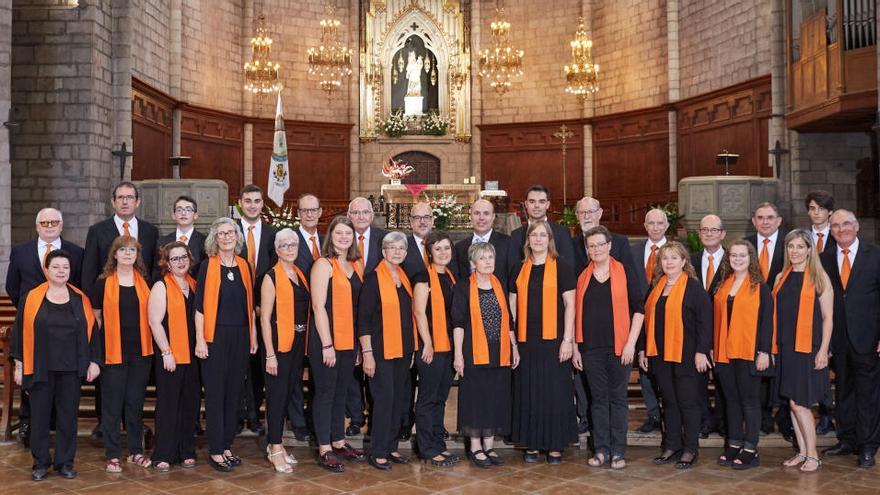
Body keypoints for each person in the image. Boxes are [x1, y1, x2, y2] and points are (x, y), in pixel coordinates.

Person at [10, 250, 102, 481]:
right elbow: (19, 334)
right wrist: (19, 365)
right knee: (39, 418)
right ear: (46, 270)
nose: (61, 271)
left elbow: (93, 333)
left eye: (65, 267)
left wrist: (94, 361)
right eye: (56, 267)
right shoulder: (31, 298)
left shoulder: (80, 298)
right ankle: (40, 463)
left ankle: (65, 462)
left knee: (68, 418)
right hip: (39, 366)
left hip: (71, 369)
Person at [80, 182, 158, 438]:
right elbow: (89, 272)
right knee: (109, 373)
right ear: (112, 202)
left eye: (130, 197)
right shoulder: (98, 230)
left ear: (137, 202)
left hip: (138, 312)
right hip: (107, 313)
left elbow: (153, 272)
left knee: (136, 379)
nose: (125, 202)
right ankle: (106, 422)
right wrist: (93, 313)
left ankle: (134, 423)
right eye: (120, 198)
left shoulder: (149, 231)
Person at [5, 207, 84, 447]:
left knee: (62, 384)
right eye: (44, 222)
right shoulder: (21, 252)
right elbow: (12, 287)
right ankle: (29, 423)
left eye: (54, 222)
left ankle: (59, 428)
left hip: (65, 329)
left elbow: (79, 287)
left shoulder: (76, 253)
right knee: (34, 375)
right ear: (37, 226)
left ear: (62, 225)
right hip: (34, 325)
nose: (49, 226)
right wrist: (33, 310)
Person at [574, 226, 644, 469]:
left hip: (620, 348)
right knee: (598, 400)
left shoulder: (624, 272)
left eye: (600, 244)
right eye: (591, 246)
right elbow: (574, 316)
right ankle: (601, 449)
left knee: (617, 399)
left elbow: (639, 310)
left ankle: (618, 451)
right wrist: (575, 348)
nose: (596, 249)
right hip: (591, 349)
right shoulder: (583, 276)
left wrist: (631, 344)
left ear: (610, 245)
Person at [639, 241, 712, 470]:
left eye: (673, 258)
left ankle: (690, 449)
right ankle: (672, 445)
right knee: (668, 402)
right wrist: (643, 349)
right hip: (660, 355)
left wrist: (701, 351)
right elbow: (646, 320)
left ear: (683, 261)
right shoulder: (656, 286)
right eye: (665, 258)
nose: (669, 262)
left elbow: (705, 323)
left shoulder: (693, 288)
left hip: (687, 356)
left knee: (688, 403)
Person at [509, 220, 577, 464]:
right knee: (529, 392)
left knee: (554, 392)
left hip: (555, 341)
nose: (538, 239)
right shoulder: (518, 269)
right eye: (533, 235)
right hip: (526, 342)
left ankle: (555, 444)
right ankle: (532, 443)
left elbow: (571, 305)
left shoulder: (563, 267)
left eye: (542, 235)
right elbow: (512, 307)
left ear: (550, 240)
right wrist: (513, 341)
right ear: (527, 240)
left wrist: (568, 340)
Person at [569, 196, 637, 435]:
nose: (587, 216)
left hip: (616, 332)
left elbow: (632, 293)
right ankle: (586, 420)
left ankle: (615, 442)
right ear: (577, 216)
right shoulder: (571, 243)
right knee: (587, 385)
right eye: (582, 212)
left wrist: (629, 338)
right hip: (586, 331)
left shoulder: (620, 242)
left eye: (591, 211)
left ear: (600, 213)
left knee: (615, 395)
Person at [194, 218, 257, 472]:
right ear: (214, 238)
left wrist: (252, 337)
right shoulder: (206, 266)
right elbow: (199, 307)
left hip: (240, 337)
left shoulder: (245, 266)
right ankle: (216, 449)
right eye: (221, 233)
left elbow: (250, 307)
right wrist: (200, 339)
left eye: (230, 232)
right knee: (216, 393)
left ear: (237, 236)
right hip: (214, 337)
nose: (227, 237)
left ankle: (227, 444)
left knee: (234, 392)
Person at [821, 210, 880, 467]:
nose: (841, 229)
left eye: (846, 224)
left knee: (868, 393)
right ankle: (847, 439)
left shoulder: (875, 255)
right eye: (835, 226)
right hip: (838, 339)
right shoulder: (823, 259)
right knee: (843, 389)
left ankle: (867, 445)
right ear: (830, 231)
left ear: (856, 226)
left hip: (868, 337)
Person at [91, 235, 154, 473]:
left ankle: (136, 451)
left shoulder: (145, 282)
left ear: (137, 256)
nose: (128, 254)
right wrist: (95, 354)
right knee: (112, 406)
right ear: (114, 254)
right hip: (112, 353)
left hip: (141, 353)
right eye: (123, 250)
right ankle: (113, 454)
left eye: (133, 250)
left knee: (135, 405)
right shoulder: (102, 283)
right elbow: (95, 320)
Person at [452, 242, 517, 468]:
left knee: (494, 398)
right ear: (472, 263)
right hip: (473, 352)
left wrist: (514, 346)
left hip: (499, 352)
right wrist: (458, 355)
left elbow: (508, 319)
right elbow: (458, 324)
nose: (488, 261)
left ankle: (489, 446)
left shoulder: (499, 284)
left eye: (491, 257)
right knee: (476, 399)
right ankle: (476, 447)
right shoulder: (462, 287)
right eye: (483, 258)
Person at [773, 229, 833, 473]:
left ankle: (814, 456)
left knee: (801, 404)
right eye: (791, 246)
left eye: (800, 246)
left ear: (810, 249)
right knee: (792, 403)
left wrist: (823, 351)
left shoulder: (820, 278)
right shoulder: (780, 277)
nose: (795, 251)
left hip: (808, 348)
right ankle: (802, 451)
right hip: (786, 348)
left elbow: (828, 318)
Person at [309, 216, 365, 473]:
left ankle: (339, 441)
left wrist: (355, 345)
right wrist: (327, 344)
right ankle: (324, 447)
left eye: (348, 234)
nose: (344, 237)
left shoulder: (355, 265)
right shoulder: (323, 264)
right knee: (325, 393)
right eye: (339, 233)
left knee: (341, 392)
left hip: (348, 340)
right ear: (331, 236)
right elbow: (318, 306)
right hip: (326, 340)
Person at [358, 231, 418, 470]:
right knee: (383, 401)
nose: (397, 252)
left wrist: (412, 347)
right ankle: (378, 450)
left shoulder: (403, 277)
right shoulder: (373, 279)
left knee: (399, 401)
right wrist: (367, 353)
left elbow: (408, 316)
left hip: (403, 350)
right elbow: (363, 319)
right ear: (383, 252)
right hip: (380, 352)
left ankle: (391, 446)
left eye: (401, 248)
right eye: (392, 248)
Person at [712, 240, 773, 470]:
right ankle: (734, 443)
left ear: (751, 259)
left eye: (742, 255)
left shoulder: (760, 286)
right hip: (725, 352)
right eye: (734, 255)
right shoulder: (723, 285)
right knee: (732, 401)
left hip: (749, 351)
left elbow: (767, 322)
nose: (738, 259)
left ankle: (750, 448)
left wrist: (764, 351)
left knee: (750, 402)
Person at [260, 229, 310, 473]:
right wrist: (270, 353)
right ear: (277, 249)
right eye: (285, 245)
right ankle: (275, 446)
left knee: (289, 393)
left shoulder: (299, 273)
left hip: (297, 344)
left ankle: (275, 444)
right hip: (278, 345)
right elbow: (265, 318)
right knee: (277, 397)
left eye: (294, 244)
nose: (290, 249)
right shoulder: (271, 277)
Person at [147, 241, 200, 472]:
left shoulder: (194, 284)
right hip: (170, 354)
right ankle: (164, 453)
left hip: (193, 354)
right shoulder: (161, 286)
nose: (180, 262)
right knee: (168, 404)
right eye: (175, 258)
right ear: (167, 264)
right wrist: (166, 351)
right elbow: (154, 322)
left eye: (184, 257)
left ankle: (186, 450)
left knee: (190, 403)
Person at [413, 231, 460, 467]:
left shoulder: (451, 276)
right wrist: (428, 343)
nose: (443, 252)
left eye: (446, 248)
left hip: (449, 346)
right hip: (430, 347)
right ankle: (427, 449)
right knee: (427, 399)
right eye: (438, 248)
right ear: (429, 252)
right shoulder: (423, 277)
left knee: (441, 399)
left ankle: (438, 444)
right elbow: (420, 312)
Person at [345, 197, 388, 435]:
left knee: (374, 366)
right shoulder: (342, 238)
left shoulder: (384, 238)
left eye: (365, 212)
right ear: (349, 215)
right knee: (352, 366)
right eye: (356, 213)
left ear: (372, 216)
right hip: (347, 312)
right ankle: (355, 417)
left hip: (376, 315)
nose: (361, 217)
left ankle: (375, 417)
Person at [745, 202, 789, 437]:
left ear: (778, 220)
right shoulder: (746, 244)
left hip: (784, 317)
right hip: (755, 319)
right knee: (760, 367)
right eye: (760, 217)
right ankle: (762, 417)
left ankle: (783, 418)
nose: (765, 221)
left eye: (770, 217)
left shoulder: (789, 244)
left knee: (782, 367)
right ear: (754, 221)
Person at [237, 184, 277, 436]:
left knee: (258, 366)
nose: (252, 205)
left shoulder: (274, 234)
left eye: (257, 201)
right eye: (248, 200)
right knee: (237, 365)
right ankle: (237, 414)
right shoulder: (229, 232)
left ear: (263, 204)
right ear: (240, 202)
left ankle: (254, 415)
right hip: (235, 310)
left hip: (264, 309)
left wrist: (265, 305)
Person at [629, 208, 669, 434]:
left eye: (659, 223)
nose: (655, 227)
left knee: (666, 369)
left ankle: (669, 414)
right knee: (645, 370)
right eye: (651, 223)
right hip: (640, 319)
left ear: (666, 226)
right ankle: (653, 414)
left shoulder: (676, 251)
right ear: (645, 226)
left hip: (667, 319)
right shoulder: (633, 251)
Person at [692, 215, 726, 438]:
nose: (709, 233)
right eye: (705, 230)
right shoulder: (691, 261)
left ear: (723, 234)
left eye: (714, 230)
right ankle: (704, 420)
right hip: (696, 332)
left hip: (725, 330)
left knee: (725, 382)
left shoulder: (734, 261)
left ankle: (723, 422)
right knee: (698, 381)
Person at [805, 190, 836, 436]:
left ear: (829, 212)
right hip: (807, 311)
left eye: (821, 208)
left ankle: (829, 415)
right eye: (813, 208)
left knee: (828, 365)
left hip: (832, 308)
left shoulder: (838, 237)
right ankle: (818, 415)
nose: (816, 213)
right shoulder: (801, 238)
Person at [509, 185, 575, 264]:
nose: (537, 206)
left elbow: (569, 265)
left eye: (541, 201)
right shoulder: (516, 235)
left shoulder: (562, 232)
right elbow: (512, 268)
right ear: (526, 204)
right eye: (532, 201)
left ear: (548, 204)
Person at [454, 199, 513, 285]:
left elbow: (512, 278)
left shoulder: (508, 243)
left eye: (486, 213)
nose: (481, 218)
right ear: (471, 216)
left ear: (493, 217)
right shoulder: (460, 247)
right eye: (477, 213)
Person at [153, 195, 206, 279]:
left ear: (195, 215)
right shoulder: (162, 242)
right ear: (173, 215)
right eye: (179, 210)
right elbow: (156, 271)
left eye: (188, 209)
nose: (183, 213)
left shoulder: (204, 242)